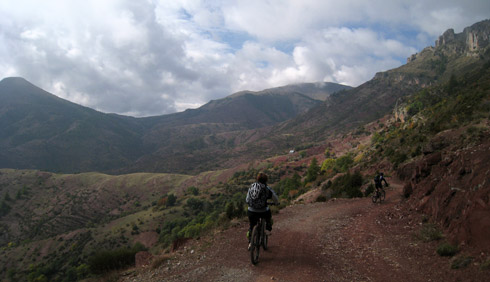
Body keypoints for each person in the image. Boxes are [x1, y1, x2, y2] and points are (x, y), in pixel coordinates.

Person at [246, 172, 279, 250]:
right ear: (266, 180)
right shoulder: (267, 189)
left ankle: (251, 243)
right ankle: (268, 229)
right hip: (263, 211)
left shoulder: (251, 186)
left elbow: (247, 199)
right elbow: (275, 198)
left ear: (257, 179)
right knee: (268, 216)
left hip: (251, 211)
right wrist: (276, 203)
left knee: (251, 226)